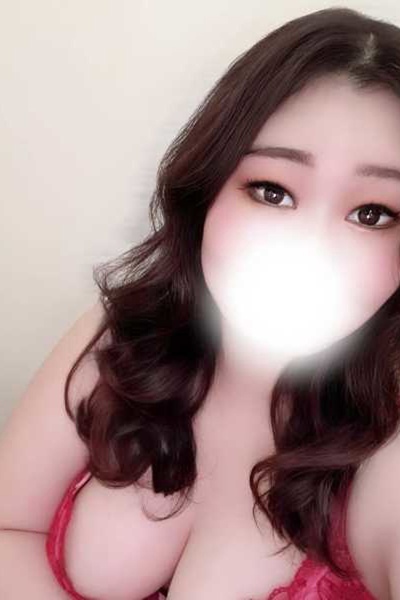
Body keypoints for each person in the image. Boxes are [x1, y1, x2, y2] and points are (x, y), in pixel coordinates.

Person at [2, 5, 400, 600]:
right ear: (207, 192)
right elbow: (9, 527)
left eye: (373, 213)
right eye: (272, 191)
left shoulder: (386, 447)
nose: (312, 246)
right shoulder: (126, 333)